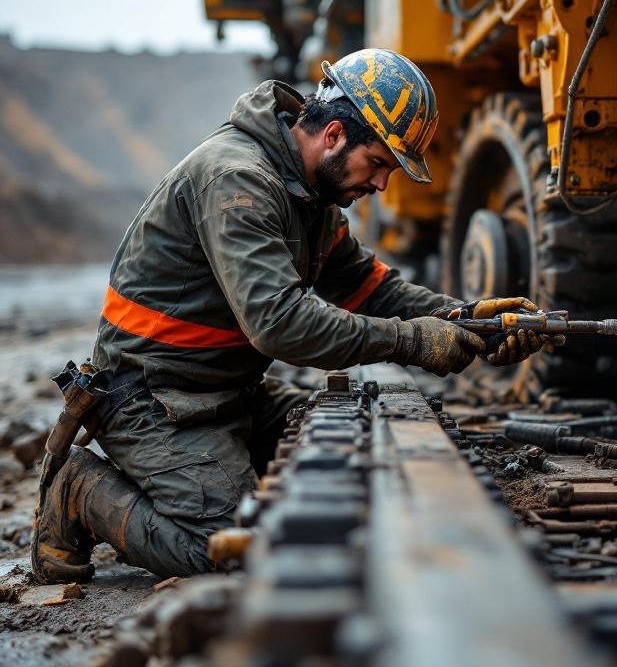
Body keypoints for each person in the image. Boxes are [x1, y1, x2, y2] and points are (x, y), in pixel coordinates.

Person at [32, 48, 552, 581]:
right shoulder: (237, 181)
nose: (381, 186)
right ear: (333, 135)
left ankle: (196, 473)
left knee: (355, 463)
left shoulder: (311, 199)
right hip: (152, 397)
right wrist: (414, 341)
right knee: (229, 547)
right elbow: (279, 323)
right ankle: (79, 490)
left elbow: (369, 290)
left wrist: (464, 319)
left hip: (223, 393)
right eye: (378, 164)